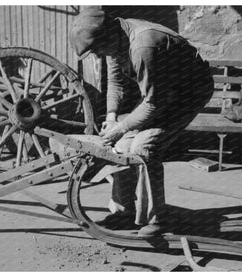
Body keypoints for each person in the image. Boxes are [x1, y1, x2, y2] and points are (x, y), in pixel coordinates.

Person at [69, 7, 214, 237]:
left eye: (96, 49)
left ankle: (155, 220)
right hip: (162, 93)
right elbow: (115, 84)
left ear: (108, 35)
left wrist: (121, 128)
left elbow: (154, 103)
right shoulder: (115, 41)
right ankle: (123, 212)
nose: (96, 55)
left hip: (190, 91)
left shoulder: (142, 45)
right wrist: (111, 117)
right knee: (121, 147)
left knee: (144, 146)